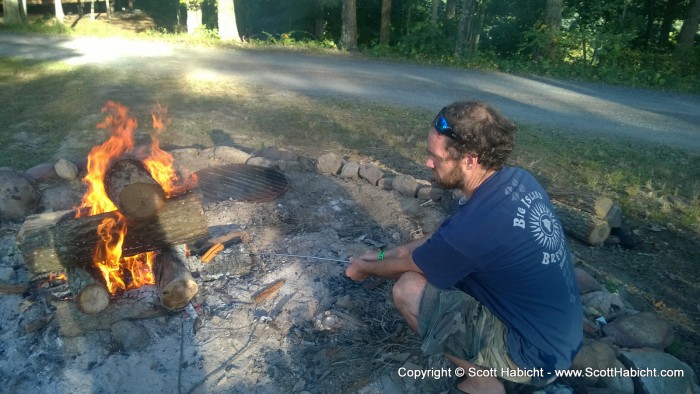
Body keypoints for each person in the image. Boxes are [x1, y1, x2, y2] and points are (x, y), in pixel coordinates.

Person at [346, 101, 583, 393]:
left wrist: (363, 267)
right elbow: (441, 242)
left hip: (534, 356)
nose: (428, 163)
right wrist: (382, 254)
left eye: (436, 156)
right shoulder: (517, 180)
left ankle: (485, 382)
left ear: (470, 159)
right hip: (559, 333)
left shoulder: (480, 225)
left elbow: (415, 263)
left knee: (408, 290)